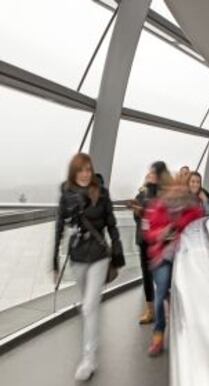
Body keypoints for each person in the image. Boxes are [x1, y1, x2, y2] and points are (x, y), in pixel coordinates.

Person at [53, 153, 125, 381]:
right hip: (77, 257)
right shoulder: (66, 195)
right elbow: (59, 227)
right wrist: (54, 260)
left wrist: (118, 250)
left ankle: (89, 358)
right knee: (88, 305)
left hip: (99, 255)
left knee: (89, 307)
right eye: (80, 170)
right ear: (74, 172)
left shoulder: (101, 193)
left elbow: (112, 224)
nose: (85, 174)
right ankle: (91, 341)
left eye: (88, 169)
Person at [144, 179, 204, 356]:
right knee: (161, 292)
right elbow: (149, 233)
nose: (176, 192)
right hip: (162, 256)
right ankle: (158, 334)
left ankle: (186, 331)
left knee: (184, 294)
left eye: (180, 189)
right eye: (173, 188)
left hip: (184, 257)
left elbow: (200, 228)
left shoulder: (193, 210)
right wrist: (161, 234)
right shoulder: (158, 207)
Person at [128, 172, 158, 325]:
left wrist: (143, 211)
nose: (149, 180)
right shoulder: (140, 195)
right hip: (143, 240)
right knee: (146, 275)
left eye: (152, 177)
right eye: (147, 178)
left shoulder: (160, 197)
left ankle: (164, 307)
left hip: (157, 241)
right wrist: (136, 211)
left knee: (160, 275)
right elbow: (137, 219)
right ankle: (150, 310)